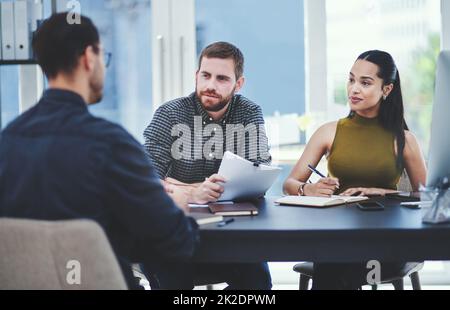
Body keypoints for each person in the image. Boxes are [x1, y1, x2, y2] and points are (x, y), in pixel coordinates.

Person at [0, 13, 198, 289]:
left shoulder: (7, 142)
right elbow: (177, 242)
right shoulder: (111, 144)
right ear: (89, 58)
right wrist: (178, 207)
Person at [283, 50, 427, 289]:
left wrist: (385, 192)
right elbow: (289, 184)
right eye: (351, 80)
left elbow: (428, 196)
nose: (354, 89)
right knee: (336, 258)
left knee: (337, 264)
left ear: (387, 89)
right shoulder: (328, 131)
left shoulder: (404, 139)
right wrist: (308, 188)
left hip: (385, 238)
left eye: (365, 82)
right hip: (337, 236)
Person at [143, 42, 272, 290]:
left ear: (238, 84)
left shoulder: (248, 112)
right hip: (174, 232)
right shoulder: (169, 114)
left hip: (233, 234)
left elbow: (259, 175)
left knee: (258, 284)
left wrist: (178, 184)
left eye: (222, 78)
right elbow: (145, 181)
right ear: (196, 75)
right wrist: (194, 192)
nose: (211, 85)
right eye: (206, 75)